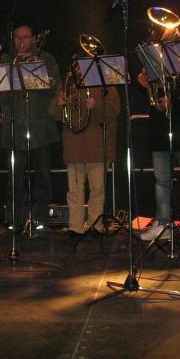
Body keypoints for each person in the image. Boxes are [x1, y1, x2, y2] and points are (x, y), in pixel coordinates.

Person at [137, 34, 180, 242]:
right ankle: (163, 223)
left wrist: (173, 97)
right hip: (160, 127)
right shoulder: (152, 54)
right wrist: (144, 85)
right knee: (161, 181)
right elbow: (150, 91)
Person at [0, 24, 61, 232]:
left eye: (25, 37)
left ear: (33, 38)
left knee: (43, 178)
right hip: (14, 129)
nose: (21, 41)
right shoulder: (6, 61)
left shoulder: (46, 59)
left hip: (41, 127)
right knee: (15, 180)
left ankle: (41, 221)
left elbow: (55, 86)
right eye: (17, 38)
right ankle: (16, 221)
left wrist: (35, 68)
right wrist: (13, 71)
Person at [49, 66, 120, 239]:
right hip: (74, 145)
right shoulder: (68, 83)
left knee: (97, 189)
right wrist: (58, 104)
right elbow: (53, 112)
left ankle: (96, 225)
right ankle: (75, 226)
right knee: (74, 191)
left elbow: (114, 110)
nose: (79, 69)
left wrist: (96, 106)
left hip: (97, 145)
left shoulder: (104, 83)